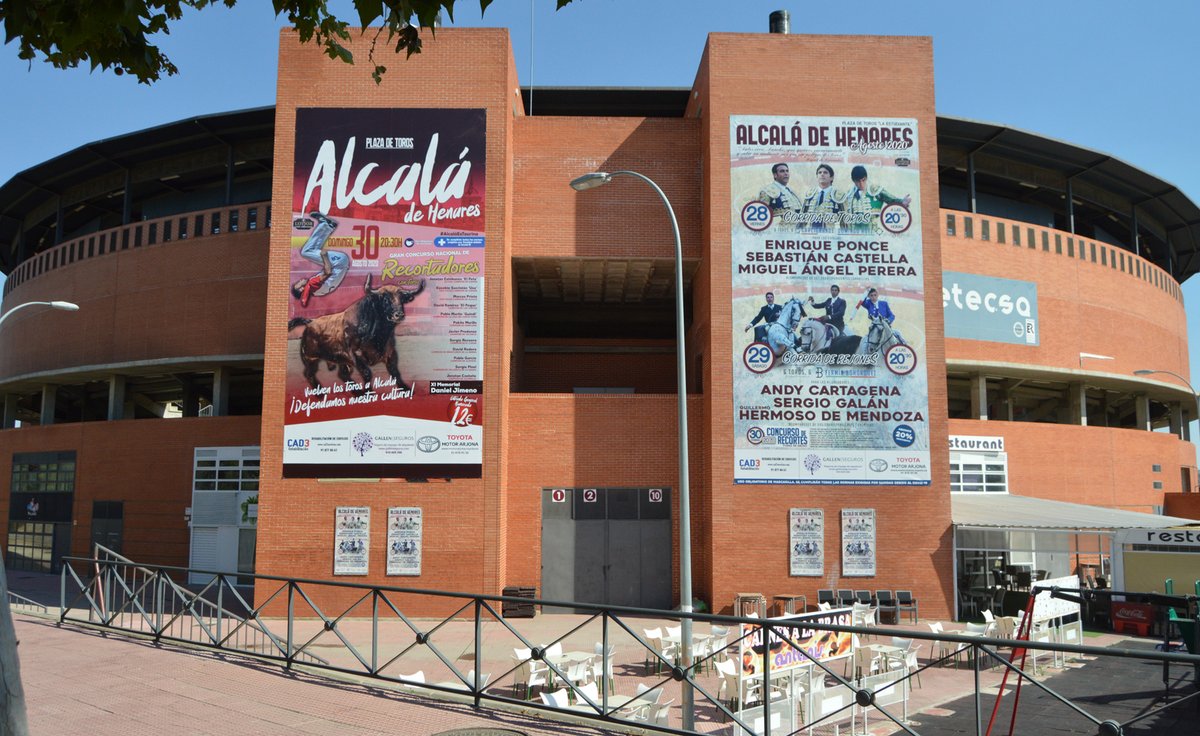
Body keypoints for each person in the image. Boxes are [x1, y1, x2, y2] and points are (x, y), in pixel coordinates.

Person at [291, 211, 350, 307]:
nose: (300, 280)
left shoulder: (315, 292)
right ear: (301, 289)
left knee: (310, 250)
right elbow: (328, 272)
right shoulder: (312, 284)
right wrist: (324, 256)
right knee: (306, 252)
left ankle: (328, 226)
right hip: (338, 262)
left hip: (342, 265)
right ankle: (325, 224)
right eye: (298, 283)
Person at [842, 165, 911, 233]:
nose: (861, 184)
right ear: (853, 180)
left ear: (866, 178)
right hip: (854, 233)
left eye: (863, 180)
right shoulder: (849, 194)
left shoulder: (874, 190)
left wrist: (902, 202)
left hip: (871, 231)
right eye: (858, 181)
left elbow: (891, 199)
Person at [801, 164, 844, 231]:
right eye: (819, 172)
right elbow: (802, 219)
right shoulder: (810, 194)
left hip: (831, 236)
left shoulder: (838, 195)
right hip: (811, 235)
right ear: (817, 176)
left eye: (825, 172)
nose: (822, 174)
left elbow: (845, 222)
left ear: (831, 177)